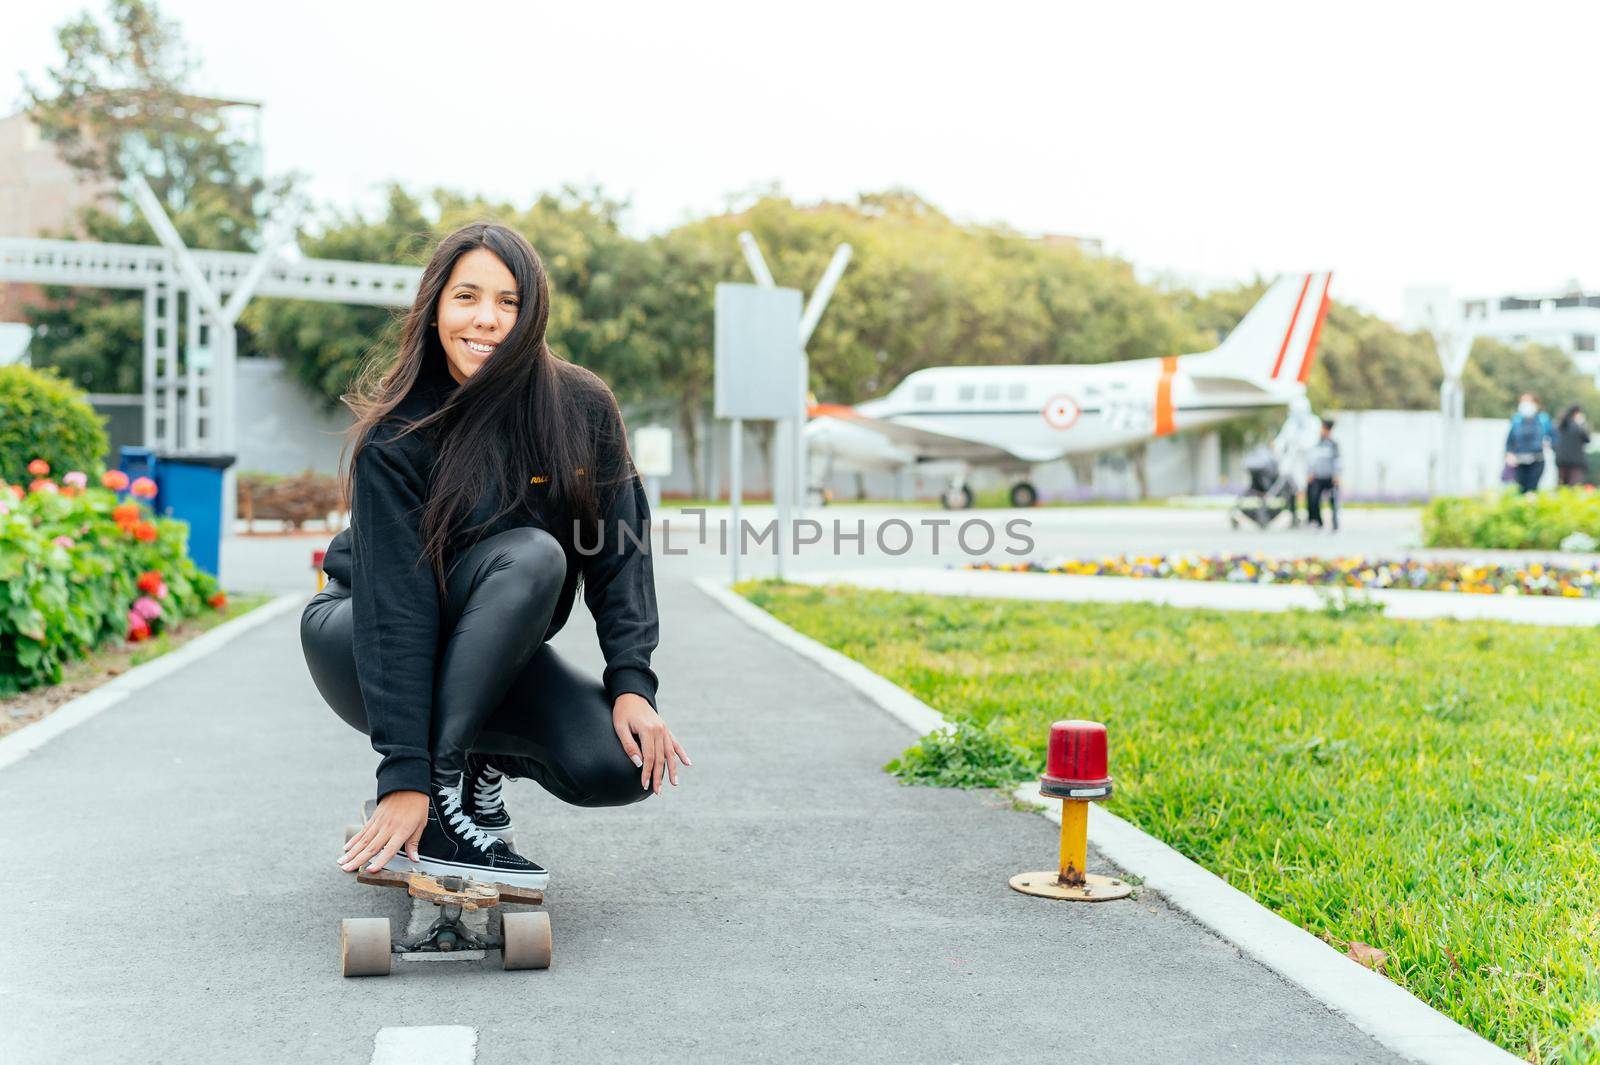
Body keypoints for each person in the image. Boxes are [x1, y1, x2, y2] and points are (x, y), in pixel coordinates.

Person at [300, 222, 690, 889]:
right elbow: (396, 607)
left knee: (617, 763)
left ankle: (474, 764)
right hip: (361, 638)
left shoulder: (579, 407)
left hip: (484, 648)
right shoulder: (399, 434)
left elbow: (619, 550)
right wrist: (406, 774)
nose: (486, 319)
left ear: (531, 312)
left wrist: (632, 682)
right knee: (534, 556)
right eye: (467, 297)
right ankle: (444, 796)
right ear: (435, 309)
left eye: (508, 302)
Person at [1272, 394, 1321, 526]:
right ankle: (1294, 516)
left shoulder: (1313, 422)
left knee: (1310, 491)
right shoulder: (1291, 424)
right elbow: (1283, 438)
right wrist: (1277, 445)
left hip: (1308, 463)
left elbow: (1313, 442)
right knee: (1291, 490)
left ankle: (1312, 518)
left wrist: (1300, 446)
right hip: (1293, 463)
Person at [1504, 393, 1554, 494]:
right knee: (1520, 489)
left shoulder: (1543, 419)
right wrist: (1509, 453)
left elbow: (1553, 437)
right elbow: (1510, 440)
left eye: (1528, 402)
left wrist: (1549, 444)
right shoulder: (1516, 419)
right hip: (1519, 461)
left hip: (1537, 459)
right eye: (1523, 402)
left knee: (1532, 489)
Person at [1305, 418, 1340, 532]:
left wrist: (1336, 475)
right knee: (1314, 498)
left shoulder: (1333, 445)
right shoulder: (1315, 443)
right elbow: (1311, 460)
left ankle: (1335, 523)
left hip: (1330, 477)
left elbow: (1337, 461)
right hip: (1317, 477)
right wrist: (1310, 473)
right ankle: (1317, 522)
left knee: (1333, 499)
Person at [1555, 404, 1591, 486]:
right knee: (1573, 486)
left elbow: (1587, 439)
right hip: (1572, 461)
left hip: (1566, 460)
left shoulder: (1566, 425)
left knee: (1564, 485)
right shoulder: (1572, 425)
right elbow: (1587, 439)